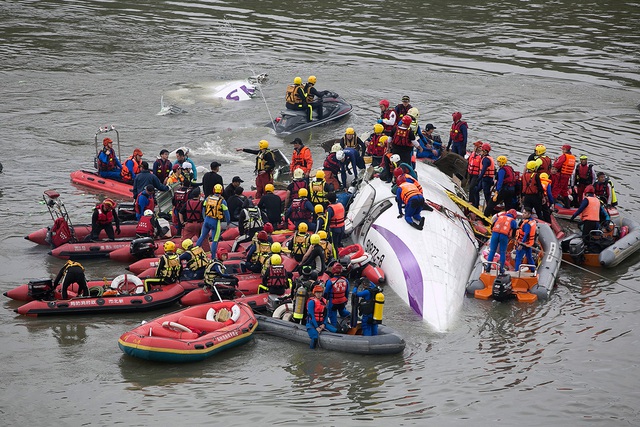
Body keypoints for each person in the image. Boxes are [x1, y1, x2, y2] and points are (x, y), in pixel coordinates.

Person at [195, 184, 230, 256]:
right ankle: (213, 257)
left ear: (213, 190)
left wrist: (204, 218)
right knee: (215, 240)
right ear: (221, 191)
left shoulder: (208, 198)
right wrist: (228, 223)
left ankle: (195, 253)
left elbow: (203, 208)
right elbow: (227, 213)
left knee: (202, 237)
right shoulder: (222, 201)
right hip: (215, 221)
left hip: (207, 220)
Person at [485, 209, 518, 274]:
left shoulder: (500, 217)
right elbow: (514, 231)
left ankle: (488, 267)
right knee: (503, 252)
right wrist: (512, 237)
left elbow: (492, 226)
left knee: (492, 251)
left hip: (495, 234)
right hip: (504, 236)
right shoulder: (513, 221)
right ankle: (501, 269)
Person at [306, 284, 337, 349]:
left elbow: (326, 314)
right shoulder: (312, 302)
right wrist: (317, 327)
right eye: (317, 292)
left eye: (320, 292)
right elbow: (311, 316)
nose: (319, 294)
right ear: (314, 293)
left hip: (321, 323)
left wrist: (323, 324)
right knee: (315, 337)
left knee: (334, 331)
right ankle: (311, 351)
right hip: (311, 323)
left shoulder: (325, 302)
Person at [324, 263, 350, 328]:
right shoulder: (345, 280)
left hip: (333, 303)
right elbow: (347, 291)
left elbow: (326, 293)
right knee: (343, 312)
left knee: (332, 316)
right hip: (342, 301)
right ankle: (352, 317)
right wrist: (346, 300)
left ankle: (334, 329)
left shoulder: (330, 281)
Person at [514, 208, 537, 272]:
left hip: (523, 243)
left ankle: (516, 271)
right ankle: (533, 270)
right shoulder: (532, 221)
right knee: (529, 257)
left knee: (518, 258)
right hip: (529, 243)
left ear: (529, 214)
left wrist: (521, 244)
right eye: (523, 213)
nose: (523, 214)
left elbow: (526, 234)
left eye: (525, 213)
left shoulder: (527, 224)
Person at [466, 141, 484, 207]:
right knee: (470, 187)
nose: (474, 148)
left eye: (476, 146)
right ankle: (472, 200)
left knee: (472, 187)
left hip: (476, 175)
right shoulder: (472, 154)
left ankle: (471, 201)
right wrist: (466, 173)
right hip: (471, 173)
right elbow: (468, 163)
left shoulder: (481, 157)